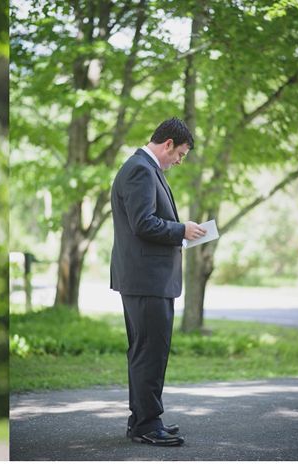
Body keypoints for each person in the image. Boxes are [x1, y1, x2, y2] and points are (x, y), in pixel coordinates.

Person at [110, 117, 206, 447]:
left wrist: (181, 231)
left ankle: (141, 420)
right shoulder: (140, 169)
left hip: (146, 279)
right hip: (146, 280)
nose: (179, 161)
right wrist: (182, 230)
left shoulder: (144, 169)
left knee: (146, 350)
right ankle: (148, 424)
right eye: (180, 154)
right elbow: (143, 224)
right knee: (150, 351)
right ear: (167, 144)